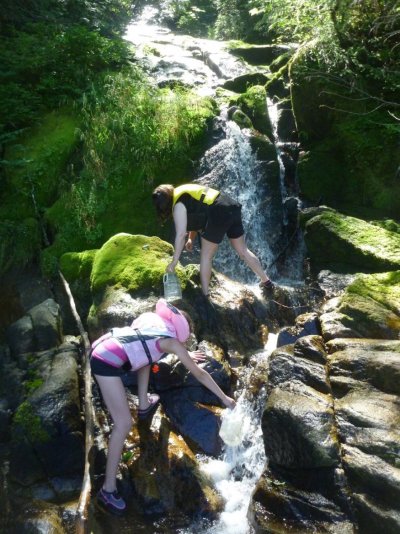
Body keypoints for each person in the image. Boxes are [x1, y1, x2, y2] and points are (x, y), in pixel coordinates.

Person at [90, 298, 236, 514]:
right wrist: (225, 398)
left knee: (148, 361)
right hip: (105, 361)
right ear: (180, 331)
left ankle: (143, 403)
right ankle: (108, 490)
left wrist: (185, 355)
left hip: (103, 347)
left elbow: (145, 352)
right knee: (123, 424)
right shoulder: (172, 342)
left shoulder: (150, 322)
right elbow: (200, 373)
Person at [152, 183, 274, 297]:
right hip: (230, 205)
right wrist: (191, 239)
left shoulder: (178, 204)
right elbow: (199, 211)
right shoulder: (183, 191)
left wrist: (173, 263)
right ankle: (266, 282)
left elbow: (180, 235)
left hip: (217, 211)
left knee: (206, 256)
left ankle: (205, 295)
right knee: (243, 250)